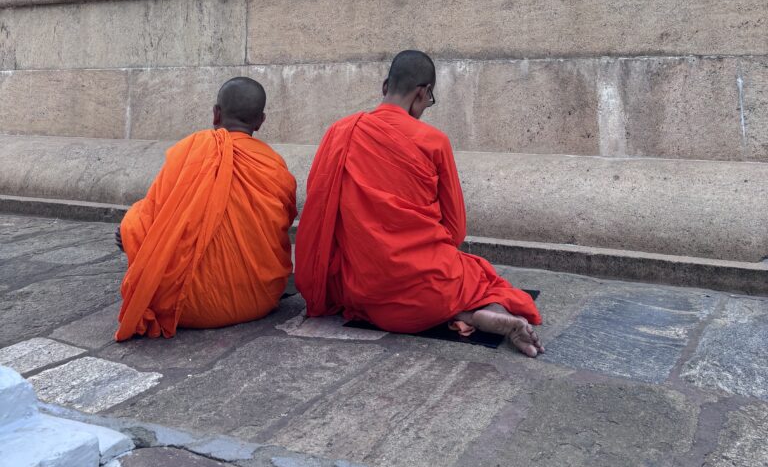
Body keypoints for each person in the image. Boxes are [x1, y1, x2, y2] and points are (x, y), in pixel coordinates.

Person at [295, 50, 543, 357]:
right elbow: (455, 229)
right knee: (479, 274)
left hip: (366, 291)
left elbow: (321, 213)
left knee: (355, 273)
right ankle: (475, 309)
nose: (425, 108)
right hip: (432, 288)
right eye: (428, 101)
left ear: (385, 86)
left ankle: (464, 313)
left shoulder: (340, 133)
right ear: (423, 93)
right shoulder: (434, 141)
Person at [115, 77, 296, 341]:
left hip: (183, 306)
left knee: (136, 219)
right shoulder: (273, 165)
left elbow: (156, 212)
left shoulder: (190, 151)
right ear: (260, 121)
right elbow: (283, 221)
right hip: (259, 298)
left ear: (216, 114)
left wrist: (130, 230)